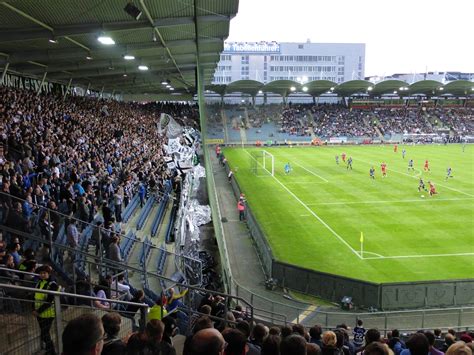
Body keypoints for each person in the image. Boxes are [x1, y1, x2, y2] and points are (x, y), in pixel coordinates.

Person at [33, 265, 59, 355]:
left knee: (45, 334)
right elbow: (34, 296)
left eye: (44, 273)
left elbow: (49, 301)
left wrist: (38, 311)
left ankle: (52, 352)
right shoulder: (39, 283)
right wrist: (34, 309)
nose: (42, 275)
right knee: (44, 334)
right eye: (41, 273)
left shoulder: (53, 284)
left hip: (48, 314)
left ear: (48, 273)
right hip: (39, 314)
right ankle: (49, 351)